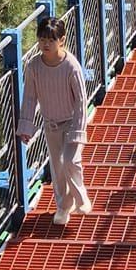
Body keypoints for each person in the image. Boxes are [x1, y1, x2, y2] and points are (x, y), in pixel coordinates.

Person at [16, 17, 91, 228]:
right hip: (51, 124)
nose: (45, 44)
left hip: (72, 122)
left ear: (62, 40)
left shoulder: (71, 66)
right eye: (41, 40)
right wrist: (26, 126)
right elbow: (30, 98)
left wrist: (78, 129)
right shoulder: (34, 67)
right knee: (57, 168)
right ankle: (63, 207)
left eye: (50, 40)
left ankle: (81, 197)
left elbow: (81, 100)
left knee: (71, 161)